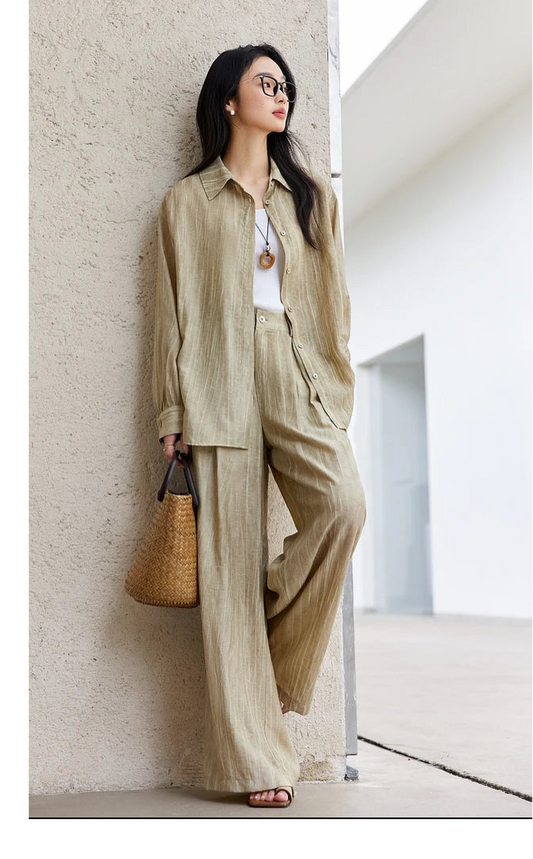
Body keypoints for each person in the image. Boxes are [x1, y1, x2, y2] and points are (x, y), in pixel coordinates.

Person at [152, 42, 367, 809]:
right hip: (215, 377)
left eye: (286, 87)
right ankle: (255, 762)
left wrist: (334, 392)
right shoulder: (186, 202)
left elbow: (334, 304)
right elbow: (169, 320)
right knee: (226, 566)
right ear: (229, 101)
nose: (280, 97)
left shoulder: (310, 196)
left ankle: (268, 653)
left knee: (343, 507)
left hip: (295, 370)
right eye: (265, 84)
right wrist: (171, 413)